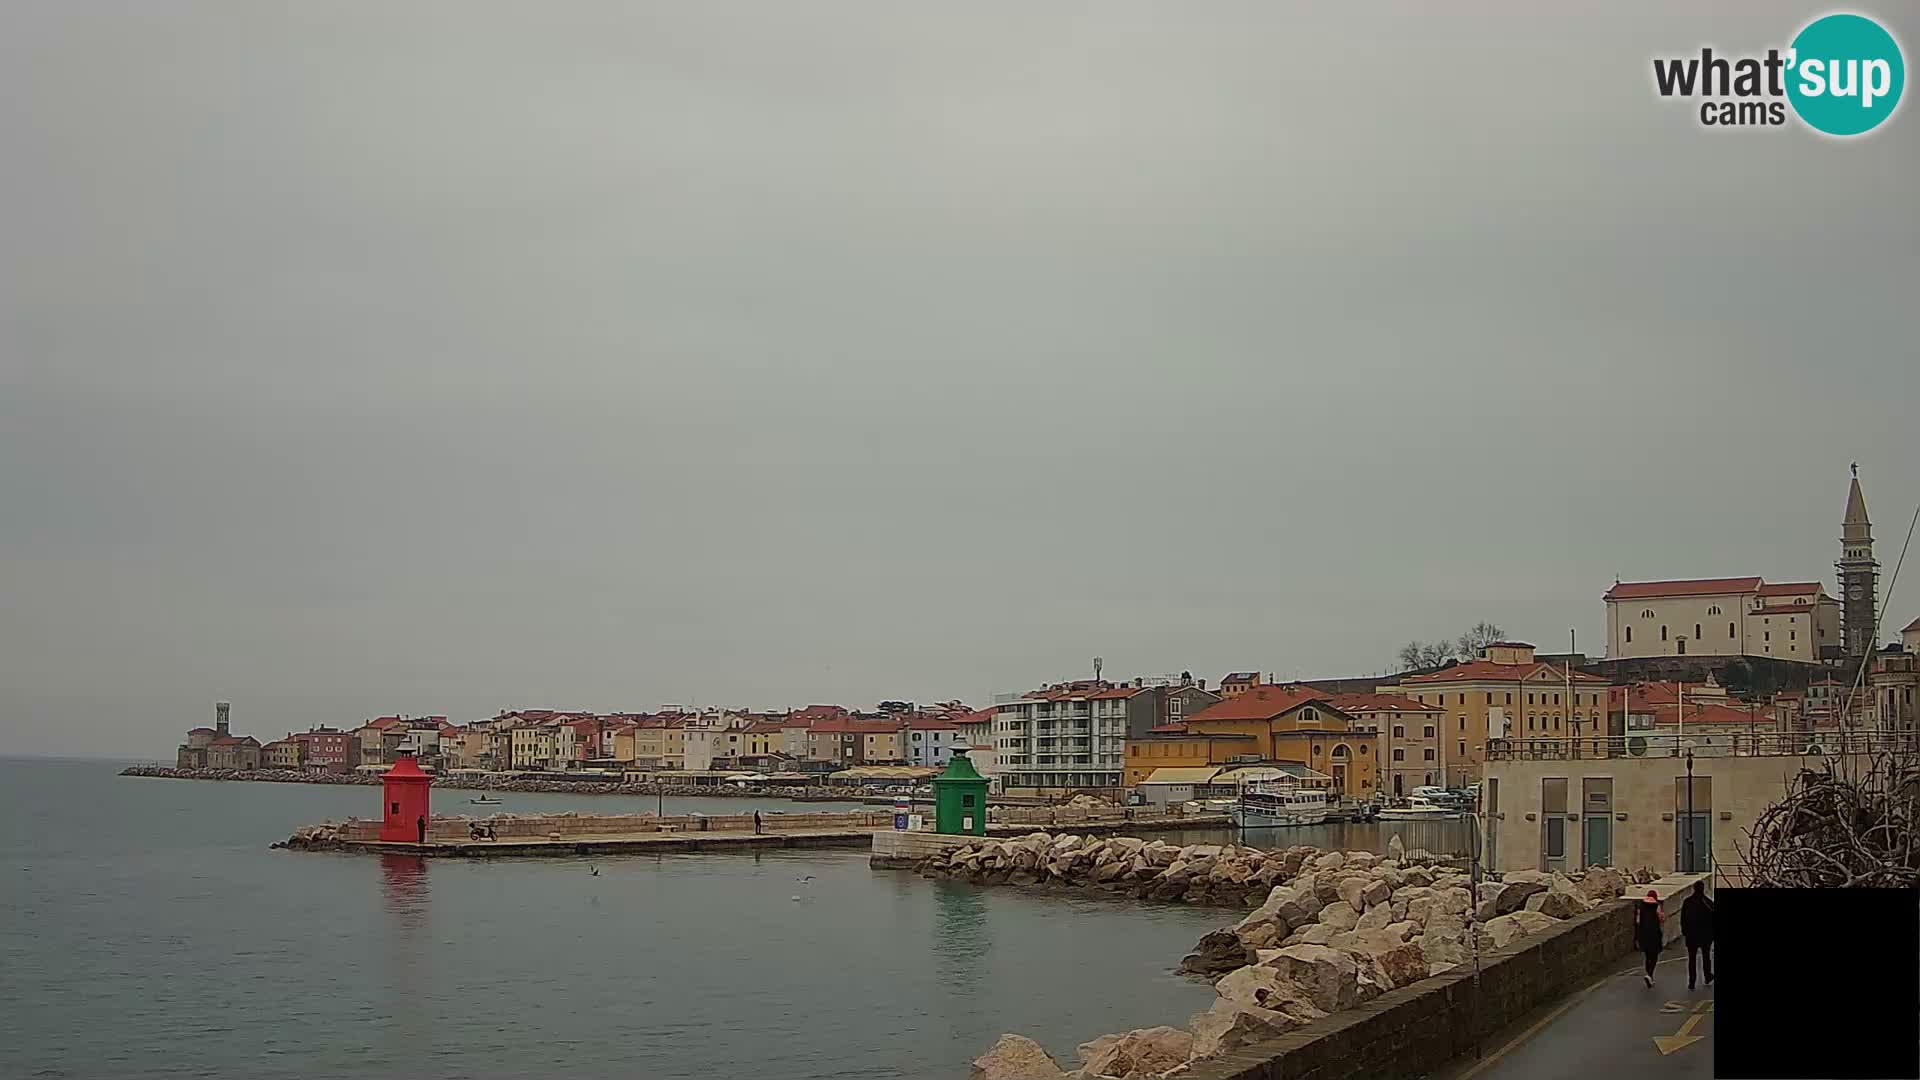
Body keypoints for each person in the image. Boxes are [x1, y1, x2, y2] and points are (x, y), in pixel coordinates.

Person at [1681, 880, 1715, 989]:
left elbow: (1683, 919)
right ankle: (1707, 975)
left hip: (1691, 936)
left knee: (1692, 959)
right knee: (1706, 957)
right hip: (1705, 936)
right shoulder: (1708, 903)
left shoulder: (1687, 902)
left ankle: (1692, 981)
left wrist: (1685, 932)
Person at [1635, 888, 1665, 987]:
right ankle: (1650, 974)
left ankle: (1648, 974)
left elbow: (1638, 921)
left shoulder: (1641, 906)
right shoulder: (1657, 906)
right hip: (1654, 934)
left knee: (1647, 955)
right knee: (1654, 955)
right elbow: (1661, 918)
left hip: (1643, 934)